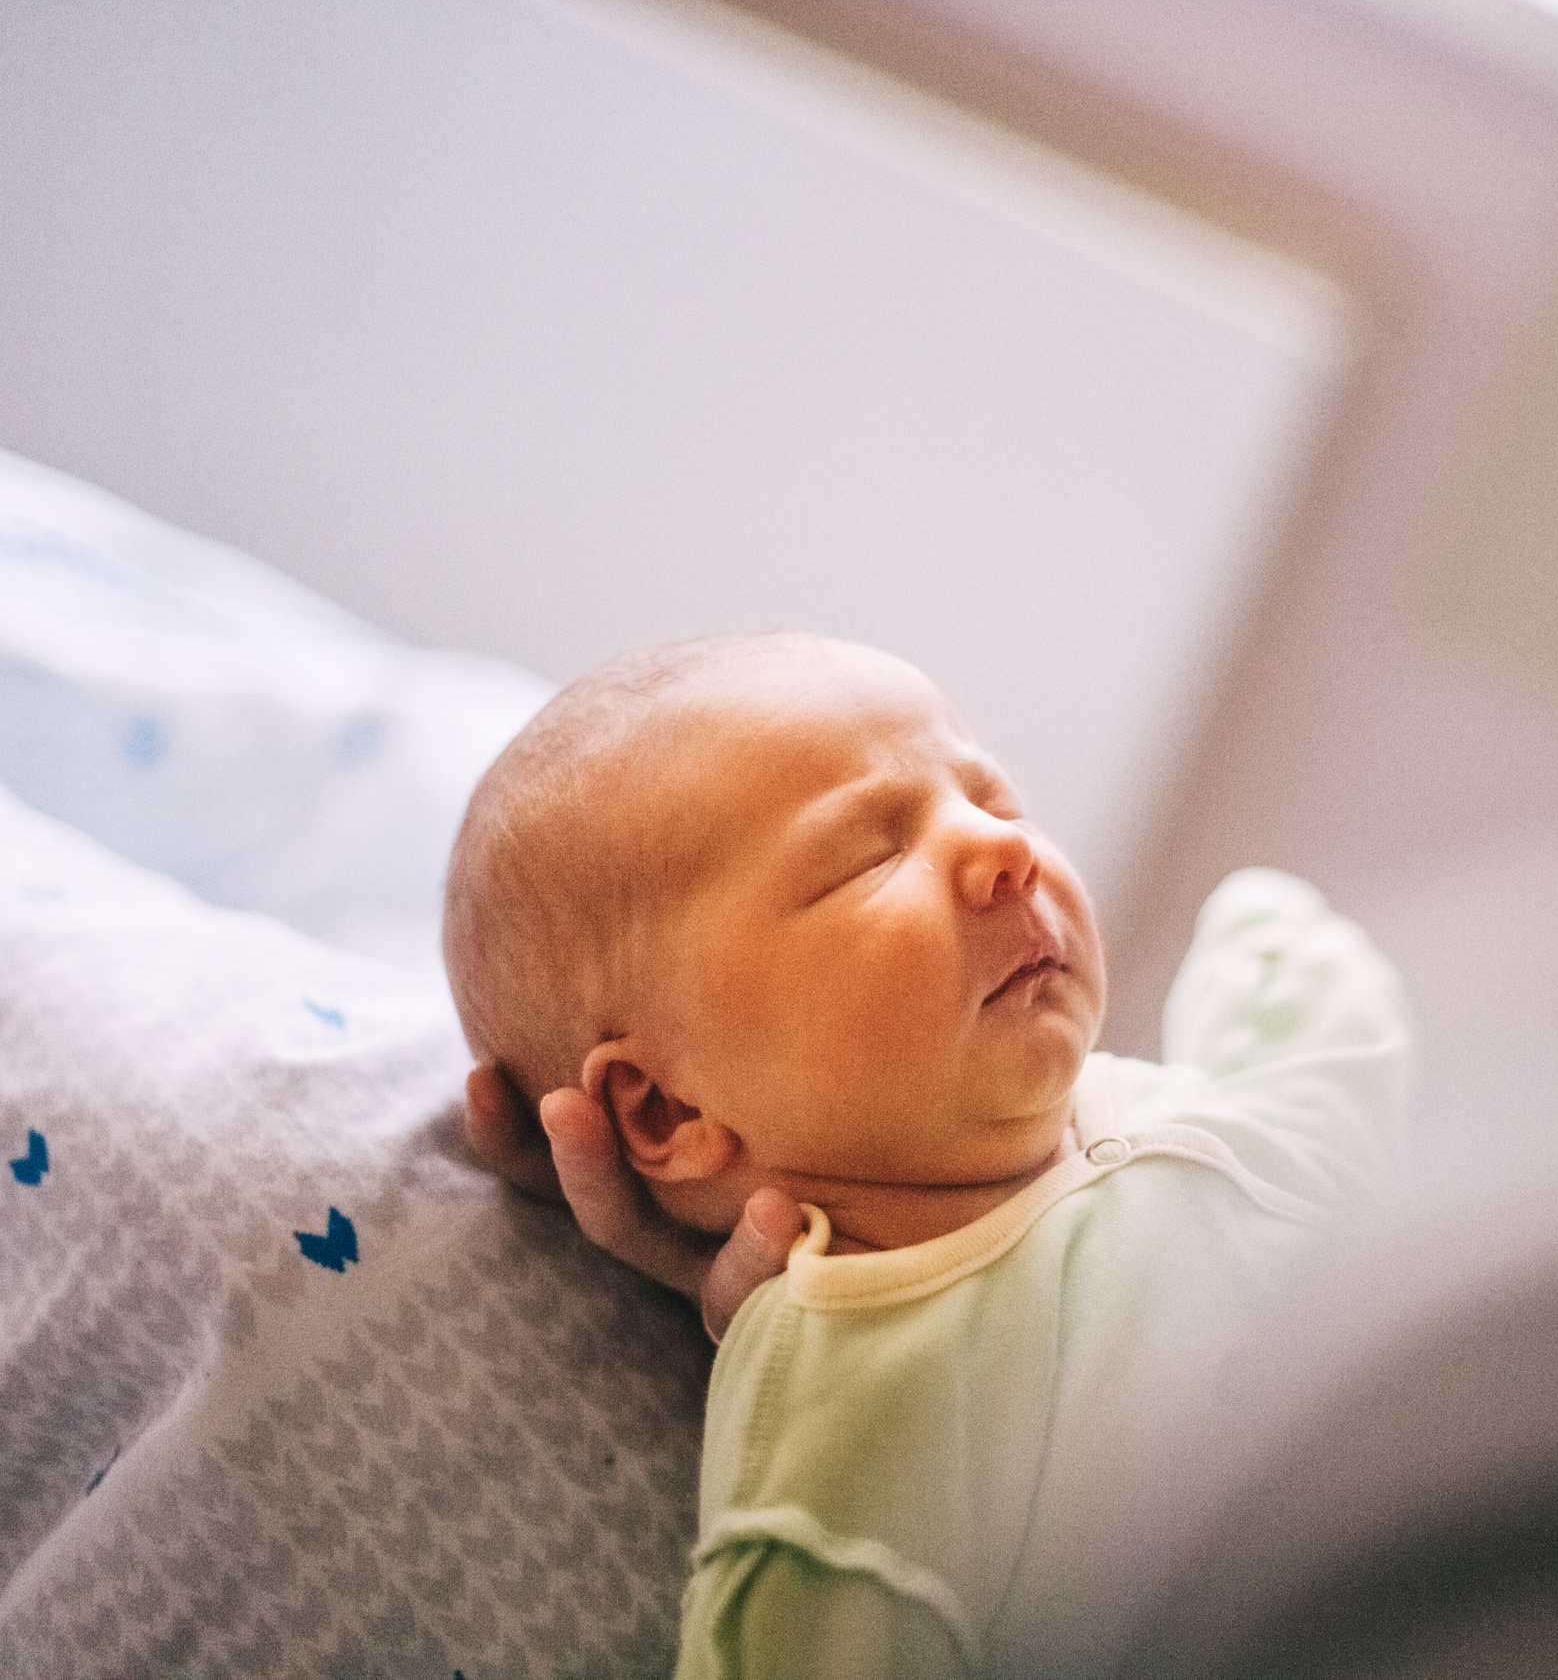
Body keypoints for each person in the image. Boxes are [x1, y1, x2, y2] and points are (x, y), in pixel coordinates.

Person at [445, 631, 1410, 1677]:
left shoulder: (1141, 1115)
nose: (1007, 850)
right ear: (666, 1111)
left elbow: (1322, 1140)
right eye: (868, 855)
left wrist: (1282, 993)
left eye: (995, 802)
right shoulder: (855, 1418)